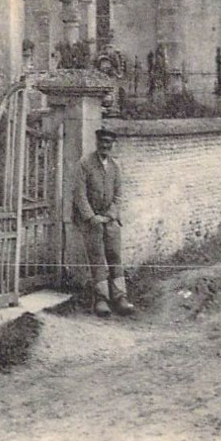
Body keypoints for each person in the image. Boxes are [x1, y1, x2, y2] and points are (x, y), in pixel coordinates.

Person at [73, 126, 135, 318]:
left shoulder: (115, 167)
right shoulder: (85, 164)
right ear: (97, 143)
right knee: (97, 257)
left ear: (112, 145)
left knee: (115, 255)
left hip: (110, 220)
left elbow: (118, 196)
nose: (105, 146)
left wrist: (109, 216)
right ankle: (101, 299)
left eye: (108, 143)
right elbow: (79, 194)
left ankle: (120, 297)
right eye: (102, 142)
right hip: (92, 221)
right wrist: (91, 217)